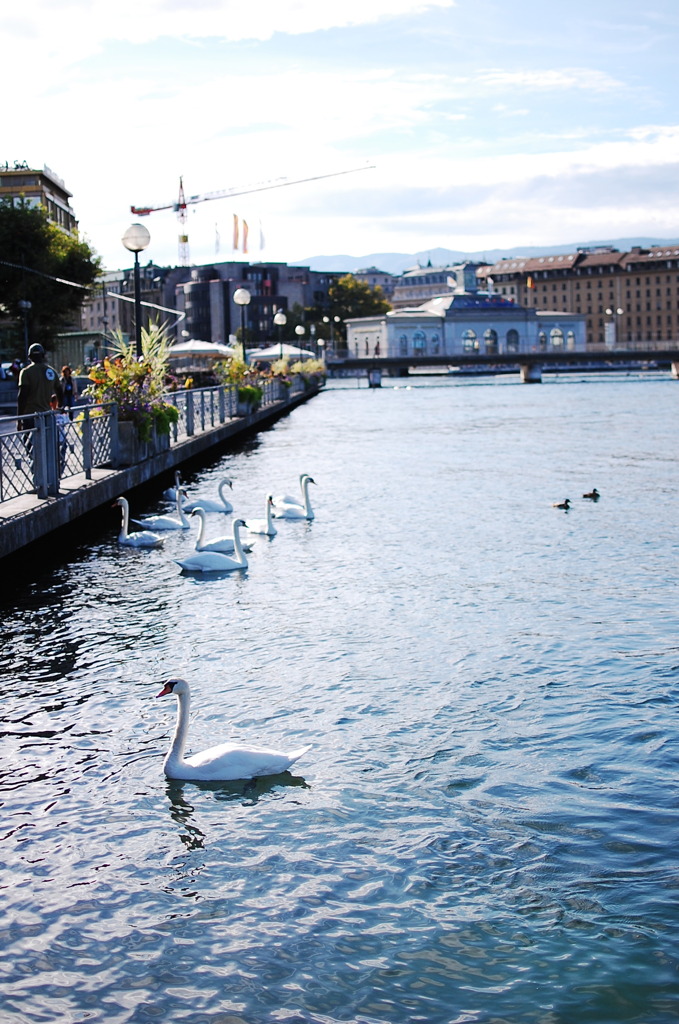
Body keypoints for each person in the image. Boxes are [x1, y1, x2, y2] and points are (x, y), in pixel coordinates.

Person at [17, 344, 62, 429]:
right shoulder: (51, 371)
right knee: (47, 441)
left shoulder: (26, 372)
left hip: (30, 416)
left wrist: (19, 420)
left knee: (30, 442)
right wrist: (60, 406)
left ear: (29, 356)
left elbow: (22, 396)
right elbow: (59, 390)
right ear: (43, 355)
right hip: (47, 415)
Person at [50, 394, 69, 474]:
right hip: (54, 439)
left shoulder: (61, 414)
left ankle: (60, 469)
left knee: (62, 453)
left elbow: (67, 421)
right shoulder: (50, 414)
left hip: (62, 437)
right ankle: (56, 471)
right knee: (55, 456)